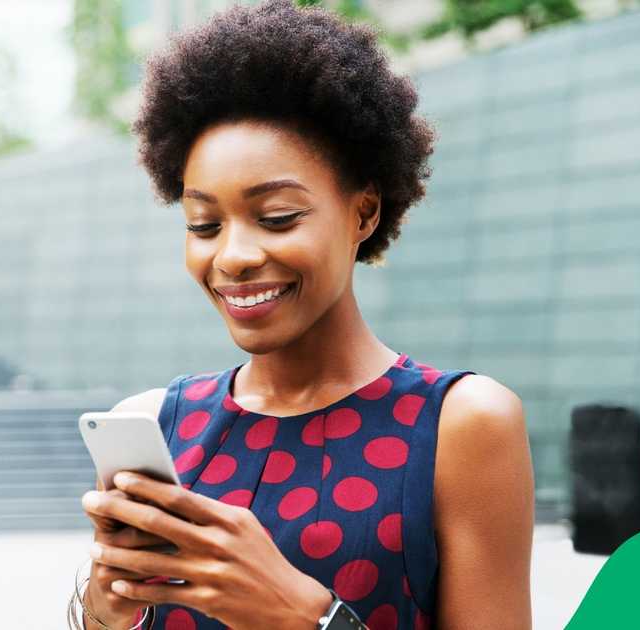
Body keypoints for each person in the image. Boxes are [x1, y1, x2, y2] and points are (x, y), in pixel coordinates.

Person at [72, 2, 534, 629]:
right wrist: (106, 607)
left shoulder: (461, 425)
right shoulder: (155, 422)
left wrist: (306, 617)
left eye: (278, 218)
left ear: (363, 213)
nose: (232, 256)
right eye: (203, 225)